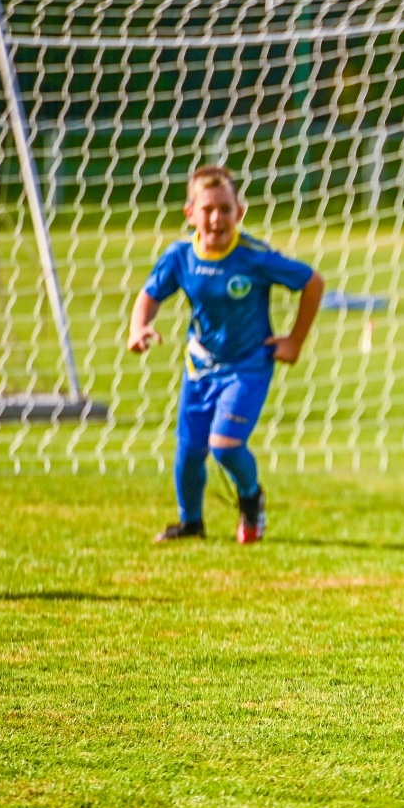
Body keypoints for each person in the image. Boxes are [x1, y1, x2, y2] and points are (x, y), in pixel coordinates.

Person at [128, 165, 323, 544]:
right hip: (200, 366)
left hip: (247, 366)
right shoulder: (180, 256)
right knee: (188, 452)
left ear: (240, 212)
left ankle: (251, 497)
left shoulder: (254, 257)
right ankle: (191, 523)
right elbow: (149, 295)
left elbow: (312, 282)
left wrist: (294, 342)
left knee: (224, 445)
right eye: (207, 209)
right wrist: (139, 326)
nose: (216, 218)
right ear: (190, 213)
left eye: (224, 209)